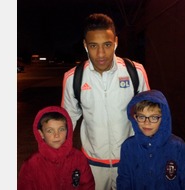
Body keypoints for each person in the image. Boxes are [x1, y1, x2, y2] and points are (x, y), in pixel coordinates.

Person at [61, 13, 150, 190]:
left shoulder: (135, 72)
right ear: (85, 45)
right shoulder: (73, 78)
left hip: (129, 163)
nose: (101, 54)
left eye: (107, 45)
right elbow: (66, 123)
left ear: (115, 42)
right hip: (91, 166)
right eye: (93, 46)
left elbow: (148, 118)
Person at [117, 90, 185, 190]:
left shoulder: (179, 147)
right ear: (135, 117)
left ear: (164, 119)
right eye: (142, 117)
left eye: (154, 117)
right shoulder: (128, 147)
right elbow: (124, 180)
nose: (147, 123)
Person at [17, 106, 95, 190]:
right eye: (50, 131)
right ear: (41, 134)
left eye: (61, 129)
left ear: (68, 130)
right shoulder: (31, 164)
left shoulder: (79, 158)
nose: (56, 135)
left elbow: (87, 185)